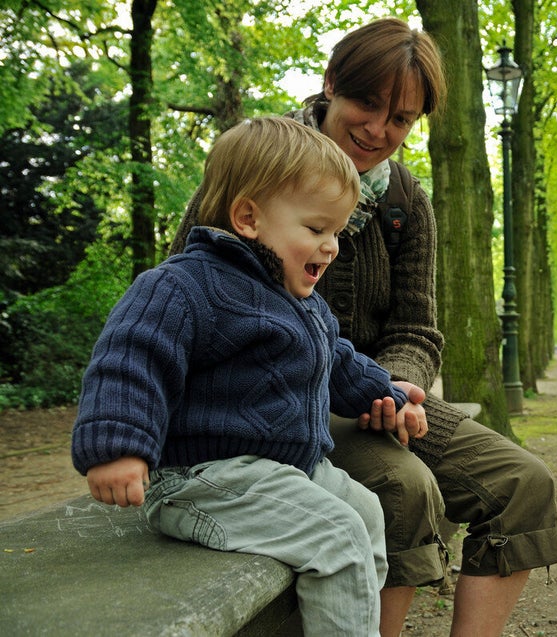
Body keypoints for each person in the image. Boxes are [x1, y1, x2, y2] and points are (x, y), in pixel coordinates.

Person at [171, 17, 557, 637]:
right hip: (271, 402)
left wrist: (396, 388)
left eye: (402, 118)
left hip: (377, 394)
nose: (379, 129)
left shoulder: (406, 203)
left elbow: (416, 328)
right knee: (404, 490)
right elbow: (186, 290)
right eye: (367, 102)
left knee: (523, 486)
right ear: (332, 85)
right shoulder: (257, 163)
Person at [72, 117, 429, 637]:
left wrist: (389, 394)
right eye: (315, 229)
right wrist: (118, 448)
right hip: (200, 479)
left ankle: (350, 623)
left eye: (337, 232)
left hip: (285, 470)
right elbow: (129, 360)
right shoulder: (182, 285)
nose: (331, 247)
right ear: (247, 217)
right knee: (338, 536)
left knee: (366, 512)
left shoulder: (300, 304)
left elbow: (339, 361)